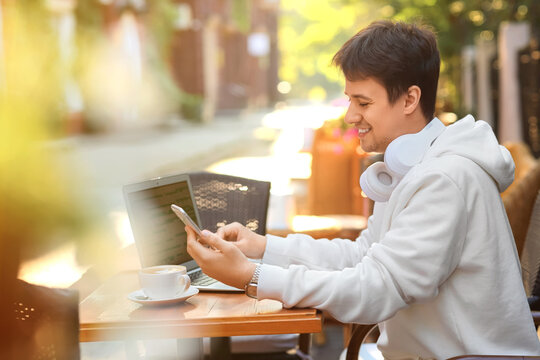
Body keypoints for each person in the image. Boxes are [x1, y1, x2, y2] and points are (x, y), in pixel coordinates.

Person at [186, 20, 540, 359]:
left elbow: (378, 288)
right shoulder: (416, 167)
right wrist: (263, 248)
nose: (351, 115)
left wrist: (252, 276)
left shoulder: (444, 179)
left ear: (409, 99)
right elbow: (364, 257)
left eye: (364, 102)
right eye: (350, 100)